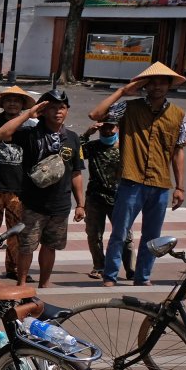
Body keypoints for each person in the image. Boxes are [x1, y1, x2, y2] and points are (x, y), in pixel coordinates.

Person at [90, 62, 186, 286]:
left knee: (152, 236)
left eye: (162, 83)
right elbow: (95, 114)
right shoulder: (129, 107)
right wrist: (122, 91)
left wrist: (180, 187)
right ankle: (111, 275)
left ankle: (143, 276)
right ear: (144, 85)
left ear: (168, 86)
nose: (157, 87)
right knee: (120, 232)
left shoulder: (178, 115)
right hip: (131, 181)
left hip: (160, 184)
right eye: (152, 82)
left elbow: (178, 151)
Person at [0, 89, 85, 288]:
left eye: (61, 107)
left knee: (50, 246)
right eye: (52, 108)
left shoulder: (72, 138)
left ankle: (44, 284)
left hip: (60, 204)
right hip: (33, 203)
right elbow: (1, 134)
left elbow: (76, 172)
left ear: (67, 110)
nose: (57, 112)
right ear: (43, 111)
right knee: (26, 247)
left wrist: (80, 204)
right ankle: (21, 283)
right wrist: (28, 114)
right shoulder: (29, 134)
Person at [0, 86, 36, 280]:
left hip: (18, 189)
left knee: (17, 233)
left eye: (17, 100)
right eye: (9, 99)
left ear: (22, 105)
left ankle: (14, 269)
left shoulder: (30, 126)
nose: (13, 103)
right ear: (2, 103)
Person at [80, 119, 134, 281]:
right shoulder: (93, 147)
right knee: (94, 235)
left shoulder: (125, 147)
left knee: (125, 236)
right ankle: (99, 266)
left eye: (110, 128)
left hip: (119, 197)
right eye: (103, 128)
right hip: (95, 197)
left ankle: (130, 269)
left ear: (117, 128)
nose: (107, 131)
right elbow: (76, 152)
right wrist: (86, 134)